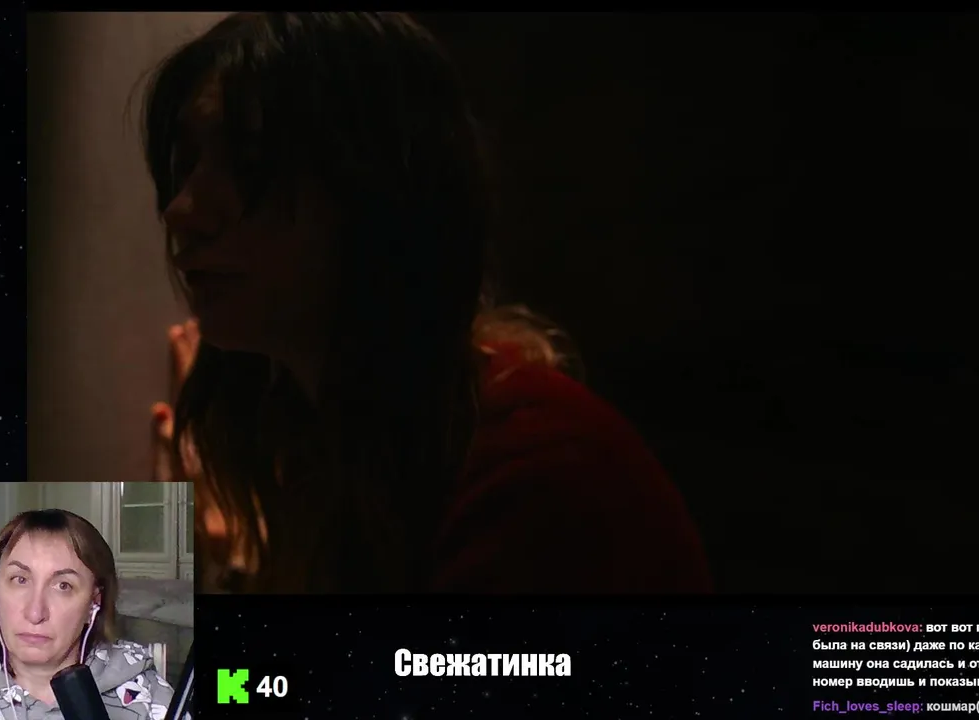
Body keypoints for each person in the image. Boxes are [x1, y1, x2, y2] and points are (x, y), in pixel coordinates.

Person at [139, 11, 711, 593]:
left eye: (249, 159)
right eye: (187, 162)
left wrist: (228, 568)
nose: (182, 209)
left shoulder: (535, 473)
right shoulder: (331, 441)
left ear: (372, 190)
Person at [0, 510, 172, 720]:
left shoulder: (153, 700)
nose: (35, 613)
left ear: (93, 603)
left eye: (63, 586)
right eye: (20, 580)